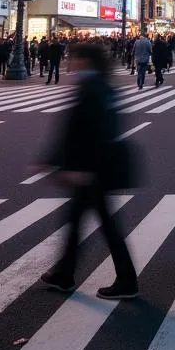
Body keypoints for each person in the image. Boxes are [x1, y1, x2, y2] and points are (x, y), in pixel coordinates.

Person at [39, 42, 139, 300]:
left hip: (91, 169)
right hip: (95, 167)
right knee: (83, 222)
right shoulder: (101, 86)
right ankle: (65, 274)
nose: (70, 62)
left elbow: (90, 132)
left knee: (101, 225)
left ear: (85, 61)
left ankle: (125, 280)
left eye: (74, 58)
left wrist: (81, 168)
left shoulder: (92, 89)